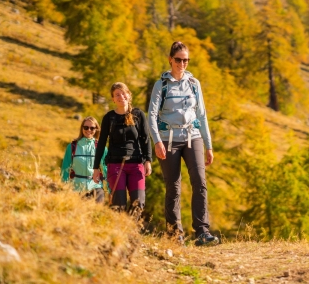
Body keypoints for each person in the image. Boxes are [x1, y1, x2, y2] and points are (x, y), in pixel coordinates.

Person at [148, 41, 219, 246]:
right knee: (173, 187)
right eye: (178, 60)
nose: (182, 64)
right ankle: (174, 234)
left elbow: (202, 115)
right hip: (168, 139)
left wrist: (209, 145)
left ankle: (202, 232)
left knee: (200, 181)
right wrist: (157, 141)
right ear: (170, 59)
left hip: (192, 136)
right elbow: (151, 115)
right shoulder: (161, 84)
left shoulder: (194, 84)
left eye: (185, 60)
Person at [93, 82, 152, 215]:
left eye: (123, 93)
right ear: (113, 99)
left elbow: (146, 139)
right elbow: (101, 143)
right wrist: (96, 168)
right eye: (117, 95)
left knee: (139, 203)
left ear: (129, 95)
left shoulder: (138, 114)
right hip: (115, 165)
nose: (121, 97)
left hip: (136, 164)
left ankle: (131, 231)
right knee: (118, 205)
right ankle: (120, 233)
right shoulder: (109, 118)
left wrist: (148, 160)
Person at [61, 117, 108, 203]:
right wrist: (64, 187)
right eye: (86, 127)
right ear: (82, 128)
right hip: (76, 188)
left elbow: (106, 169)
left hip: (96, 187)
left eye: (92, 128)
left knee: (96, 213)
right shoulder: (72, 147)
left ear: (96, 129)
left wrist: (110, 189)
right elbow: (65, 168)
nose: (88, 130)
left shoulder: (101, 148)